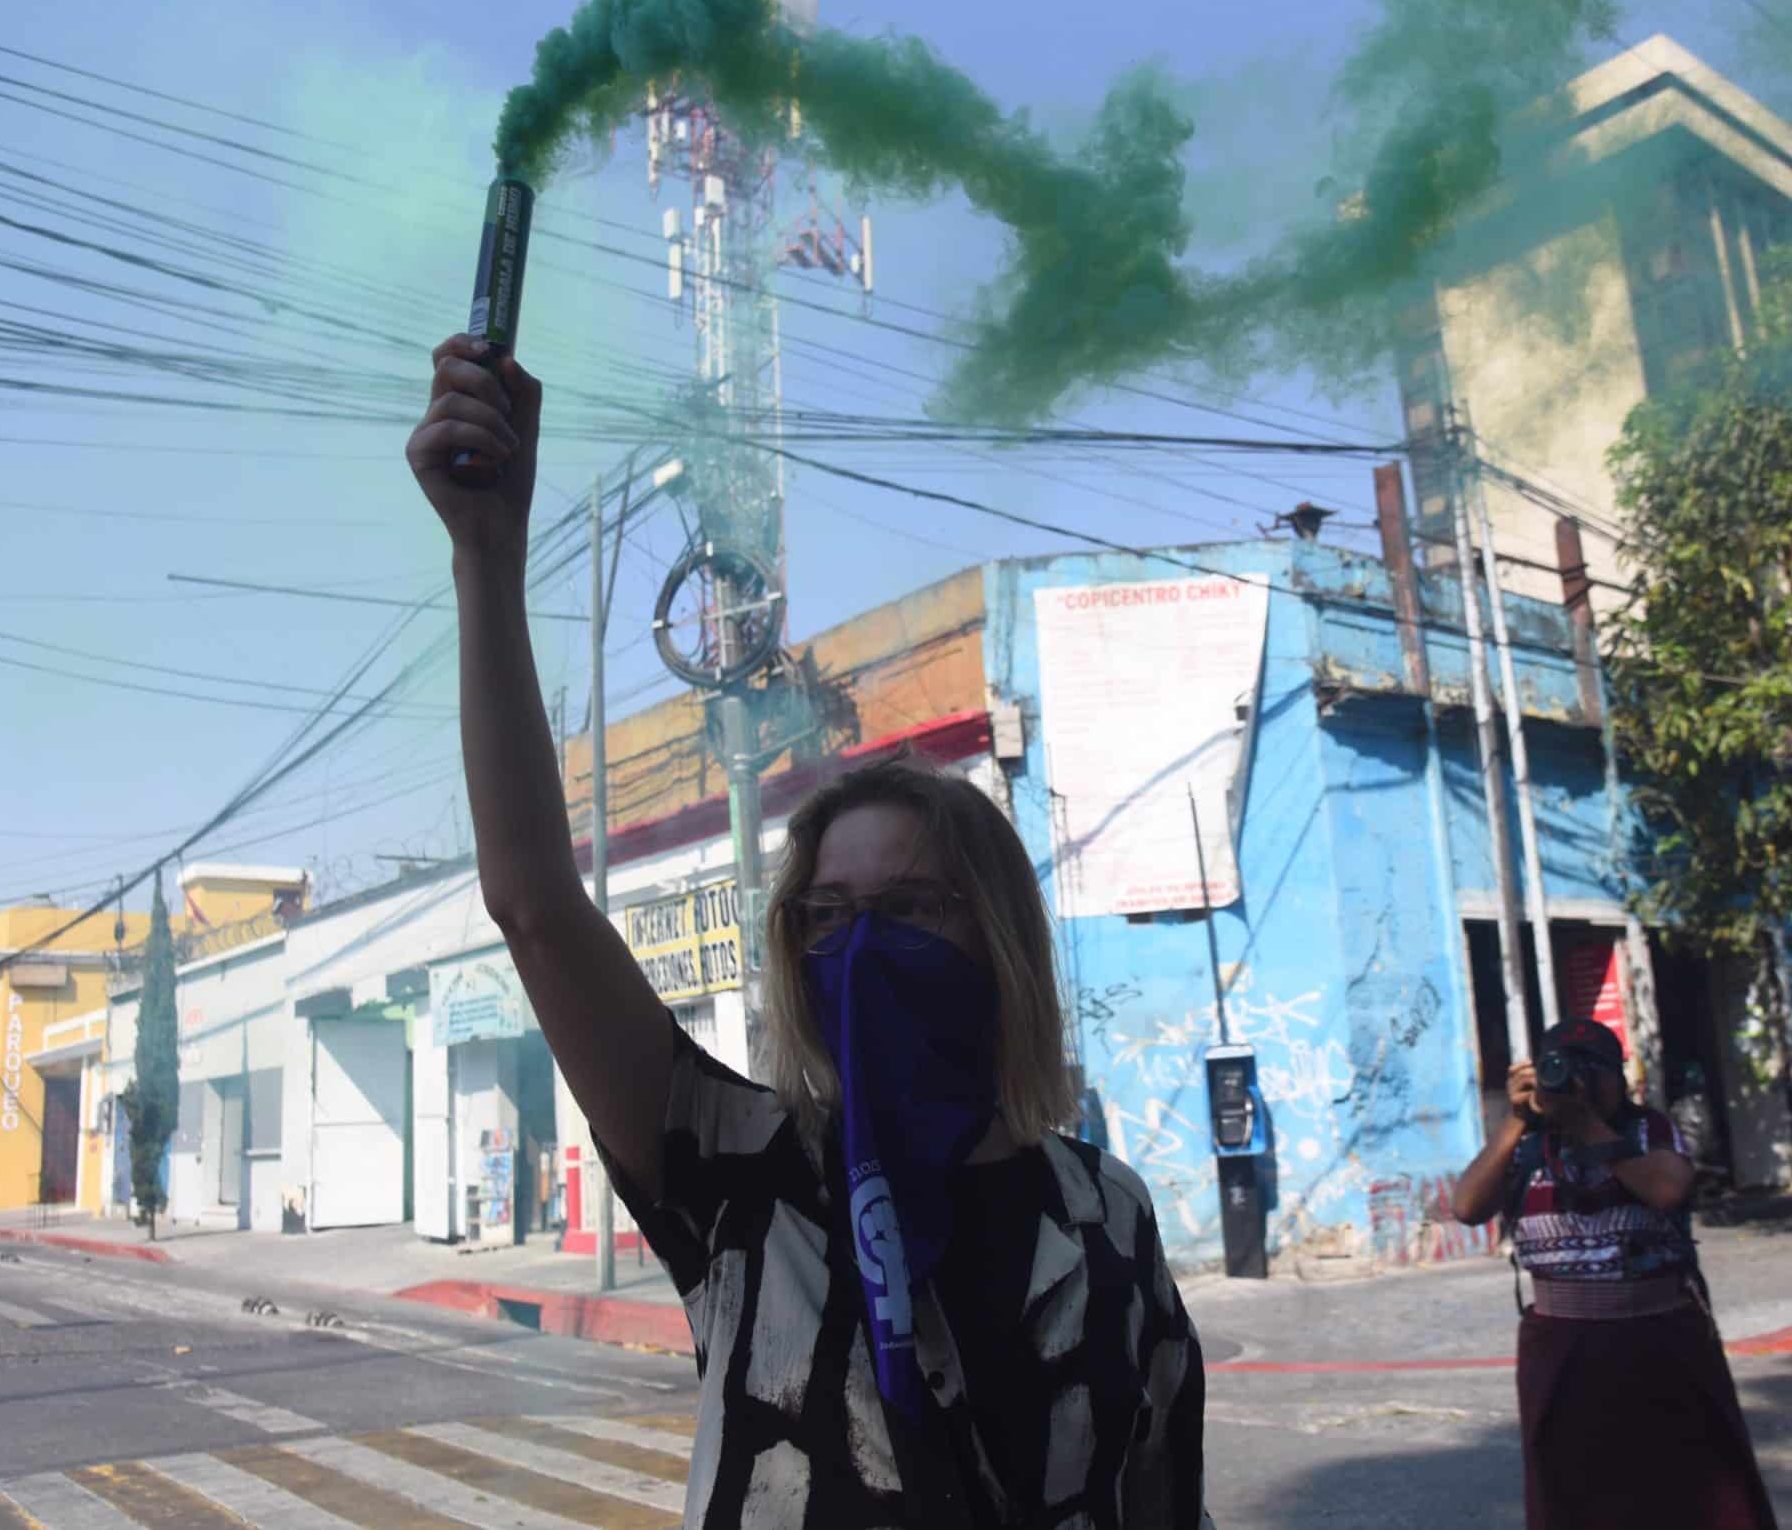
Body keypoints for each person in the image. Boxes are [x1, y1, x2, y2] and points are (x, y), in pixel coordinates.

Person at [410, 335, 1209, 1530]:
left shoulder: (1106, 1214)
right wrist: (486, 554)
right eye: (825, 916)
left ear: (996, 940)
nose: (859, 947)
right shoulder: (742, 1177)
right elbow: (531, 898)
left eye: (907, 910)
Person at [1448, 1020, 1778, 1530]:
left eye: (1589, 1071)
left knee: (1690, 1489)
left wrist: (1586, 1127)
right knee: (1571, 1493)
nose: (1571, 1083)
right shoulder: (1527, 1143)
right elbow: (1467, 1207)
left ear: (1618, 1078)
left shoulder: (1648, 1131)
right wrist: (1516, 1122)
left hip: (1658, 1333)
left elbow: (1668, 1190)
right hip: (1559, 1341)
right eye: (1559, 1067)